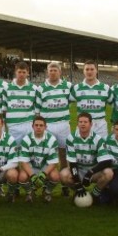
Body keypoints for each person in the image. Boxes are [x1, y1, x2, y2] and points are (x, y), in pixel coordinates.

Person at [36, 62, 73, 196]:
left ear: (60, 72)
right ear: (47, 72)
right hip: (49, 126)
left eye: (55, 70)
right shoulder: (41, 89)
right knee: (48, 156)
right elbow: (38, 111)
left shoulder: (68, 86)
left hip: (64, 125)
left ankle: (64, 184)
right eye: (50, 70)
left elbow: (71, 101)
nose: (52, 72)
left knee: (64, 156)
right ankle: (47, 186)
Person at [60, 112, 114, 204]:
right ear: (77, 124)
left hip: (93, 170)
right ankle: (79, 191)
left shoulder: (98, 139)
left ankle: (95, 194)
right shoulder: (71, 138)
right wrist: (77, 183)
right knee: (63, 174)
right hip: (79, 169)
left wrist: (90, 172)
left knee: (109, 173)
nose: (83, 124)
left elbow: (106, 161)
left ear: (91, 124)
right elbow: (72, 164)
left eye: (85, 122)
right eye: (80, 122)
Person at [17, 116, 61, 203]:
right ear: (32, 126)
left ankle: (47, 192)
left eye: (41, 125)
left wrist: (44, 174)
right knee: (22, 177)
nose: (38, 127)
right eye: (36, 125)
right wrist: (32, 176)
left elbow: (53, 162)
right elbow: (24, 162)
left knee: (55, 176)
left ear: (45, 127)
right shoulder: (26, 139)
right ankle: (30, 192)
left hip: (45, 167)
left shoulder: (52, 140)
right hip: (31, 167)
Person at [69, 60, 113, 138]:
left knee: (101, 149)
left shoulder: (105, 88)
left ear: (96, 71)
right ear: (83, 71)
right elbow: (66, 104)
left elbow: (113, 104)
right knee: (82, 149)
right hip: (83, 124)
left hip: (100, 125)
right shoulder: (76, 88)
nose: (89, 72)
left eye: (92, 69)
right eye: (87, 69)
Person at [3, 61, 38, 144]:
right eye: (19, 72)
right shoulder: (7, 88)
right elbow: (4, 109)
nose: (21, 74)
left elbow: (36, 109)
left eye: (24, 72)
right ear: (15, 72)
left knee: (28, 152)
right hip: (13, 126)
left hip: (28, 125)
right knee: (14, 152)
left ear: (28, 73)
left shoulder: (34, 88)